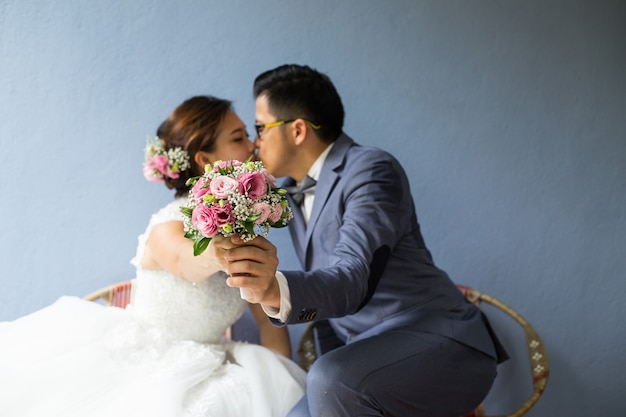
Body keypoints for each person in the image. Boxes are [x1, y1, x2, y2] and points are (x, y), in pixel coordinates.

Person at [216, 64, 509, 417]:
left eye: (261, 128)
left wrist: (274, 290)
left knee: (331, 378)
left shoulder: (370, 169)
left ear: (297, 130)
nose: (256, 141)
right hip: (364, 358)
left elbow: (352, 275)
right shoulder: (288, 193)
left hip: (442, 344)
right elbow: (328, 312)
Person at [0, 95, 306, 417]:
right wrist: (223, 252)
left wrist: (284, 383)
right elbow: (185, 262)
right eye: (238, 137)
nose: (252, 146)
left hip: (215, 359)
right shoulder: (166, 227)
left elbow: (270, 322)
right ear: (204, 159)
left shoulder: (244, 230)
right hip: (147, 360)